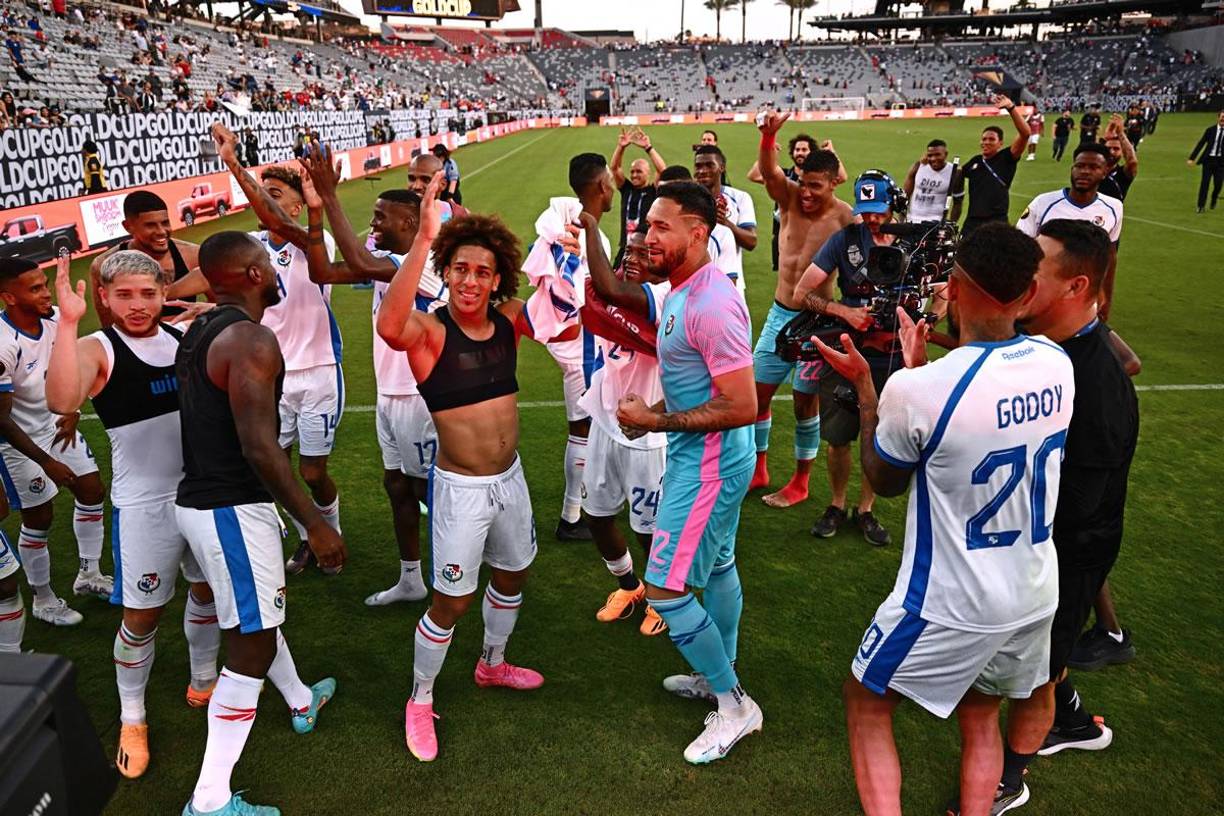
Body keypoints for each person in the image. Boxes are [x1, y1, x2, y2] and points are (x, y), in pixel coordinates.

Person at [819, 222, 1073, 816]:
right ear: (1027, 293)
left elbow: (883, 482)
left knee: (867, 700)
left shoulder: (921, 389)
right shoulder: (1055, 362)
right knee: (982, 709)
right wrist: (918, 372)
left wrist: (868, 386)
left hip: (951, 600)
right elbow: (990, 389)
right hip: (1034, 590)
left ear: (954, 288)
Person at [377, 174, 572, 764]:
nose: (469, 280)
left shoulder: (510, 318)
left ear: (497, 278)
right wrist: (424, 241)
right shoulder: (431, 332)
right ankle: (421, 697)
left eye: (482, 271)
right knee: (452, 602)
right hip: (461, 489)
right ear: (447, 269)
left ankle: (492, 664)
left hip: (510, 479)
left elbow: (561, 310)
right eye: (460, 268)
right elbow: (390, 327)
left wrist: (568, 243)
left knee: (514, 573)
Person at [960, 219, 1138, 813]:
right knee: (1040, 657)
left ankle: (1009, 779)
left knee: (1037, 669)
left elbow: (1081, 503)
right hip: (1039, 546)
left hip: (1064, 553)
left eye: (1037, 270)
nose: (1022, 279)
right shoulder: (1046, 347)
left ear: (1075, 286)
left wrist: (1023, 546)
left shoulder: (1096, 380)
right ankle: (1077, 723)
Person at [176, 231, 345, 816]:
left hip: (199, 504)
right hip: (231, 509)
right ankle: (209, 800)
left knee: (259, 618)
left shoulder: (201, 328)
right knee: (248, 646)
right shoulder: (251, 337)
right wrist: (314, 525)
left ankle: (301, 700)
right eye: (267, 270)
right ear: (250, 275)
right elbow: (261, 448)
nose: (275, 277)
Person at [45, 252, 220, 780]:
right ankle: (133, 716)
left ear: (164, 289)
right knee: (141, 616)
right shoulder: (98, 349)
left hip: (202, 492)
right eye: (124, 294)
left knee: (206, 590)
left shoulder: (181, 336)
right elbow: (61, 398)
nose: (139, 305)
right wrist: (70, 320)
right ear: (103, 296)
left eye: (149, 292)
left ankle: (204, 677)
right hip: (145, 507)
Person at [615, 182, 762, 764]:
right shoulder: (683, 287)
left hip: (707, 467)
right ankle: (716, 672)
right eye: (647, 226)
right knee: (720, 564)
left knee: (667, 589)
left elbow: (744, 404)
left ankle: (733, 705)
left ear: (698, 233)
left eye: (661, 228)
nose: (648, 237)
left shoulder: (710, 302)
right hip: (704, 459)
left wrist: (656, 419)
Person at [295, 143, 441, 606]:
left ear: (411, 225)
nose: (373, 225)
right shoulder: (387, 263)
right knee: (396, 485)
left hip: (420, 397)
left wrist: (332, 196)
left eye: (381, 218)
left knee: (431, 491)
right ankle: (412, 577)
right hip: (389, 394)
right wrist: (317, 212)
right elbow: (322, 269)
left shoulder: (423, 263)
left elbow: (357, 261)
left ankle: (472, 571)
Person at [211, 123, 345, 573]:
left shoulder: (314, 240)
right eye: (263, 190)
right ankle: (309, 536)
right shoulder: (249, 248)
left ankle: (331, 527)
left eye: (275, 191)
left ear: (294, 202)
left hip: (319, 370)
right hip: (273, 373)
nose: (267, 198)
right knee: (274, 467)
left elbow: (273, 220)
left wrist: (232, 162)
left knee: (311, 472)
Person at [792, 172, 908, 547]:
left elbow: (940, 292)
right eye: (867, 212)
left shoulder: (913, 241)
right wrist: (844, 311)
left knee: (879, 437)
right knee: (838, 436)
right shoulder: (843, 240)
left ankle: (867, 509)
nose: (873, 219)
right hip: (846, 352)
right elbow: (801, 292)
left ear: (894, 202)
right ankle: (837, 504)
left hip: (891, 357)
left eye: (880, 210)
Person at [748, 111, 854, 509]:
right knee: (757, 397)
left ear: (832, 183)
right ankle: (759, 468)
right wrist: (767, 138)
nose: (806, 193)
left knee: (804, 403)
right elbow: (771, 174)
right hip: (779, 315)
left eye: (815, 187)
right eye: (804, 184)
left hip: (817, 323)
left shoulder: (845, 217)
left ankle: (801, 481)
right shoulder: (790, 198)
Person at [0, 258, 110, 627]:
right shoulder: (2, 343)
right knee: (40, 515)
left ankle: (89, 575)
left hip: (57, 426)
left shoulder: (57, 319)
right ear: (9, 297)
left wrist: (74, 408)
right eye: (34, 288)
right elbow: (1, 420)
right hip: (17, 441)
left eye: (45, 283)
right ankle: (44, 599)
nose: (46, 292)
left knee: (92, 490)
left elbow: (74, 365)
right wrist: (46, 462)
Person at [575, 219, 670, 637]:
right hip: (605, 425)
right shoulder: (610, 293)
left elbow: (611, 293)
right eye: (627, 252)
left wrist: (591, 223)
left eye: (642, 253)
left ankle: (662, 599)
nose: (631, 259)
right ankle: (629, 587)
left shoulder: (665, 299)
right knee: (596, 516)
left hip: (648, 439)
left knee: (648, 530)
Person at [537, 153, 617, 543]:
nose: (614, 188)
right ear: (602, 187)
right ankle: (572, 516)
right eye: (611, 182)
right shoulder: (588, 235)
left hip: (577, 343)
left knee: (588, 429)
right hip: (583, 347)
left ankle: (584, 505)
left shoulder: (570, 224)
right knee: (583, 429)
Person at [1017, 143, 1122, 318]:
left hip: (1084, 300)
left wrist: (1105, 297)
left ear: (1105, 172)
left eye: (1094, 167)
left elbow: (1109, 257)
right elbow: (1020, 251)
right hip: (1042, 296)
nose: (1085, 171)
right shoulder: (1042, 203)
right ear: (1072, 168)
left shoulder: (1113, 207)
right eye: (1080, 166)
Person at [94, 190, 202, 327]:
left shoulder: (194, 255)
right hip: (137, 345)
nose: (162, 231)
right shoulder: (103, 264)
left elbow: (224, 309)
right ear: (128, 227)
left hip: (188, 342)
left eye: (165, 222)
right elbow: (108, 324)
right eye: (150, 225)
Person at [949, 95, 1031, 235]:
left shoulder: (1007, 158)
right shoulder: (975, 161)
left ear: (1000, 143)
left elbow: (1025, 134)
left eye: (991, 139)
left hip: (997, 221)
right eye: (984, 139)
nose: (986, 142)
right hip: (972, 221)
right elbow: (958, 174)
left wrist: (1011, 108)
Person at [693, 145, 756, 293]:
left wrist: (726, 223)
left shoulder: (739, 198)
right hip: (695, 286)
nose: (702, 171)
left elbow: (751, 242)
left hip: (732, 284)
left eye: (709, 165)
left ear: (721, 167)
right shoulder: (687, 201)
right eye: (698, 166)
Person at [610, 127, 666, 266]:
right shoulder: (626, 189)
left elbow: (663, 170)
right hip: (625, 248)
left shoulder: (653, 191)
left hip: (645, 248)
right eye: (632, 171)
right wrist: (621, 147)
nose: (634, 175)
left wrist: (648, 147)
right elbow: (615, 168)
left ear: (648, 173)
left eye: (639, 172)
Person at [903, 139, 959, 223]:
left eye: (937, 155)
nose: (933, 159)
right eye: (930, 155)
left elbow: (958, 203)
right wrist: (902, 220)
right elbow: (904, 196)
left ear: (946, 154)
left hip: (935, 223)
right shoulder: (918, 166)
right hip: (912, 220)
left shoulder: (954, 172)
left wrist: (951, 224)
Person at [1188, 110, 1224, 213]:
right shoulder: (1210, 130)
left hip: (1220, 162)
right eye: (1222, 117)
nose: (1223, 119)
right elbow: (1201, 143)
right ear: (1218, 118)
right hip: (1208, 161)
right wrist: (1192, 158)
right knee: (1205, 184)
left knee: (1218, 184)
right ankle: (1201, 206)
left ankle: (1214, 197)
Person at [1101, 115, 1139, 202]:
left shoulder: (1122, 174)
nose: (1112, 152)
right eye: (1108, 148)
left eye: (1116, 149)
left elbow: (1132, 161)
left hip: (1109, 214)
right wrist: (1105, 138)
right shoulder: (1094, 169)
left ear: (1122, 152)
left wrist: (1120, 133)